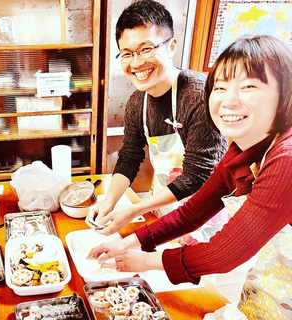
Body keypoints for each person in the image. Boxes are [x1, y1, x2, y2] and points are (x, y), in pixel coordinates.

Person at [88, 34, 292, 320]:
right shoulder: (241, 152)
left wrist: (144, 261)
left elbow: (225, 253)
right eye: (220, 87)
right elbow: (191, 214)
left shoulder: (286, 159)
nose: (229, 100)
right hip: (271, 284)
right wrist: (126, 243)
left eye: (248, 87)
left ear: (284, 94)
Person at [87, 0, 228, 236]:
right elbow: (130, 156)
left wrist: (133, 211)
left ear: (171, 46)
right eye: (127, 53)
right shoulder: (137, 102)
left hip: (204, 215)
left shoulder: (200, 96)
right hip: (161, 208)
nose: (137, 63)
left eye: (146, 49)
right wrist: (108, 202)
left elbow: (198, 175)